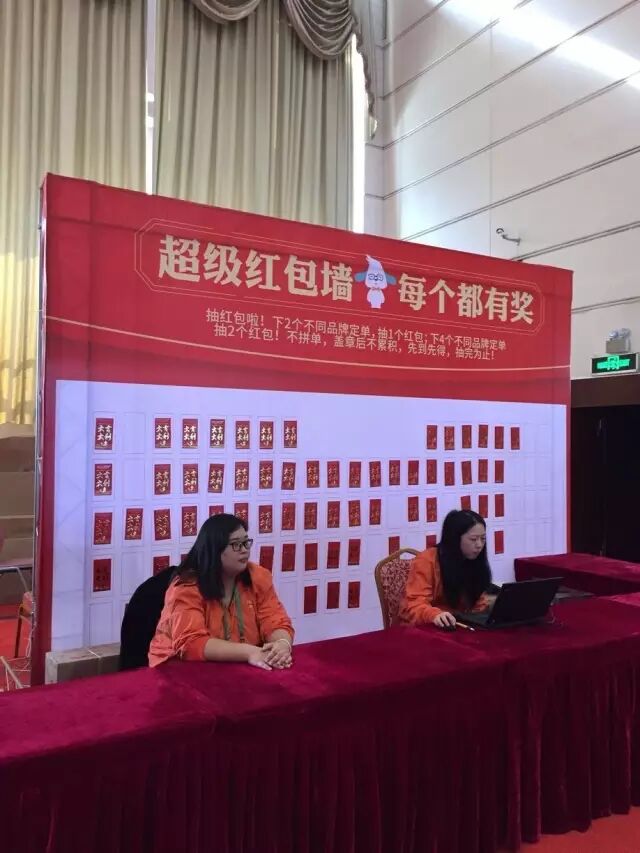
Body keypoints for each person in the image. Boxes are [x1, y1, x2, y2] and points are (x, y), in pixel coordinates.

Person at [149, 513, 294, 669]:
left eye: (246, 542)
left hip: (237, 665)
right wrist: (250, 652)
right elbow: (191, 643)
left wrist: (282, 645)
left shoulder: (258, 577)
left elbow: (275, 620)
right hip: (180, 668)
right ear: (214, 550)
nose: (244, 550)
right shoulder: (186, 588)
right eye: (236, 544)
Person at [398, 509, 492, 629]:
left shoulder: (474, 561)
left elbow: (477, 602)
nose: (479, 545)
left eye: (483, 539)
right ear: (455, 539)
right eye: (473, 539)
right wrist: (434, 615)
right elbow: (414, 604)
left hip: (459, 625)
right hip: (424, 627)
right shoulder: (427, 561)